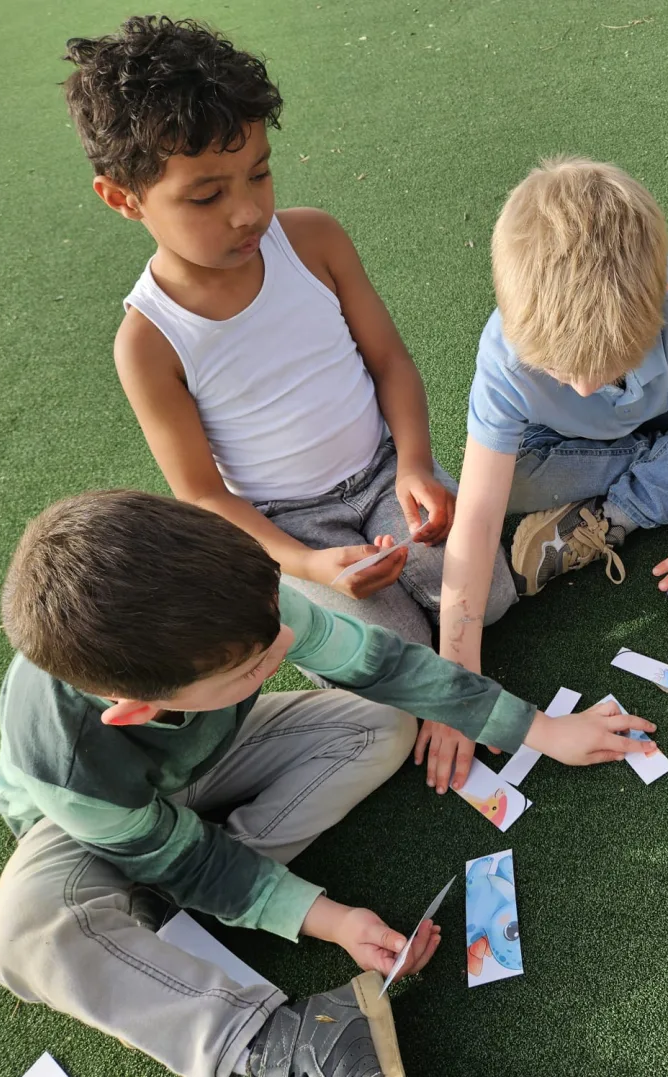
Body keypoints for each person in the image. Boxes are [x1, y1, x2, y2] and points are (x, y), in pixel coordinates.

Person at [0, 490, 655, 1077]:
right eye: (254, 667)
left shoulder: (236, 610)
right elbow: (179, 858)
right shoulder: (65, 756)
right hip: (91, 829)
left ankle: (218, 897)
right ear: (136, 708)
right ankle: (274, 1044)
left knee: (384, 723)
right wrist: (330, 920)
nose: (286, 649)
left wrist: (538, 728)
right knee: (21, 938)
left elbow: (383, 667)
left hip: (202, 764)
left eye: (278, 628)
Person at [64, 15, 516, 649]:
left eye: (259, 173)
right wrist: (305, 563)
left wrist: (415, 466)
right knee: (393, 652)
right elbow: (204, 496)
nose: (248, 212)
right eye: (206, 197)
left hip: (386, 471)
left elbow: (389, 362)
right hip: (286, 526)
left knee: (488, 600)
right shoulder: (148, 343)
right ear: (123, 198)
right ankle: (293, 599)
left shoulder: (313, 240)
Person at [424, 157, 668, 792]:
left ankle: (625, 510)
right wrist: (458, 686)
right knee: (495, 485)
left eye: (609, 366)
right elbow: (476, 522)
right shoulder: (504, 359)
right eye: (560, 371)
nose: (583, 387)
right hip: (565, 446)